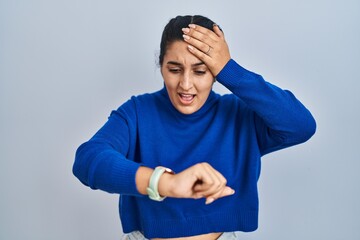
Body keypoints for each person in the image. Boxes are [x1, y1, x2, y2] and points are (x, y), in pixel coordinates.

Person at [72, 15, 316, 240]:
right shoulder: (138, 112)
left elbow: (300, 126)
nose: (186, 85)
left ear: (215, 73)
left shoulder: (239, 115)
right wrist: (165, 183)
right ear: (161, 65)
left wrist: (230, 70)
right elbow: (88, 159)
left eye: (201, 71)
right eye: (174, 70)